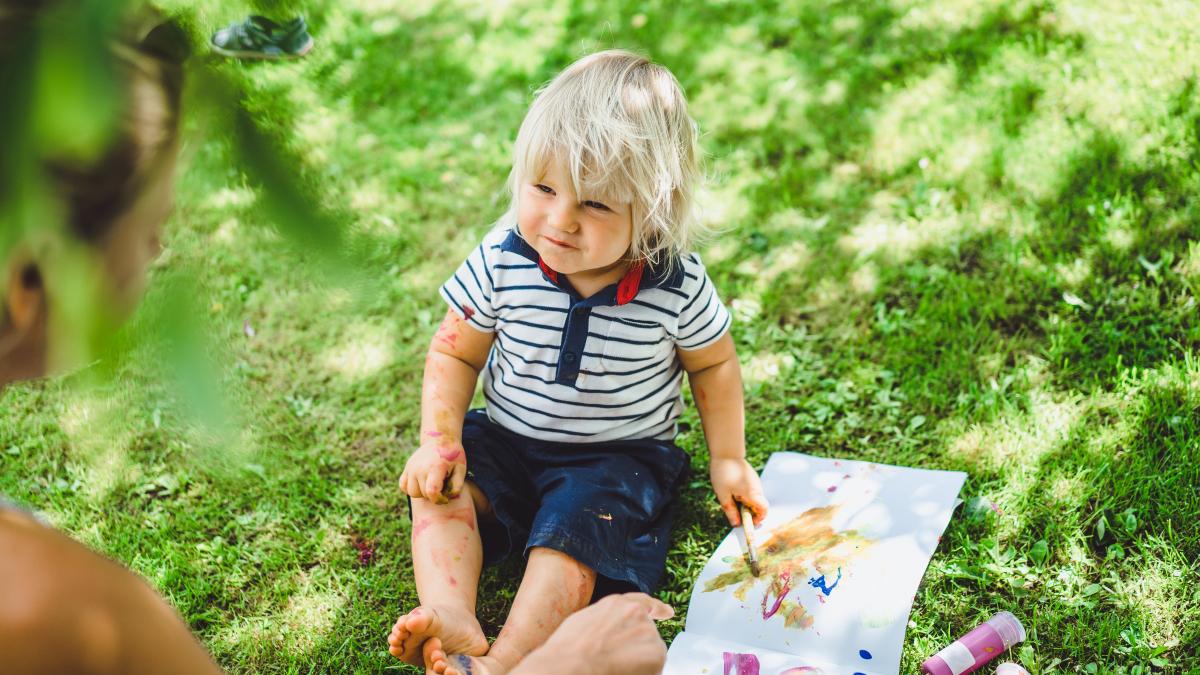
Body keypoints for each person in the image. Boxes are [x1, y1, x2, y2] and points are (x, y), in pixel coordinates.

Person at [0, 5, 669, 674]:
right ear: (28, 281)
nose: (160, 246)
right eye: (151, 225)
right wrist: (566, 666)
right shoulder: (61, 609)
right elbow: (456, 347)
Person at [389, 50, 770, 675]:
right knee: (439, 491)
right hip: (508, 440)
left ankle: (505, 660)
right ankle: (452, 610)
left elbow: (713, 364)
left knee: (574, 537)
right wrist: (440, 440)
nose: (560, 220)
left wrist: (729, 456)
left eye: (595, 205)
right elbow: (454, 350)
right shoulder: (505, 254)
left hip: (614, 462)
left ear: (652, 208)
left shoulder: (674, 284)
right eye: (543, 189)